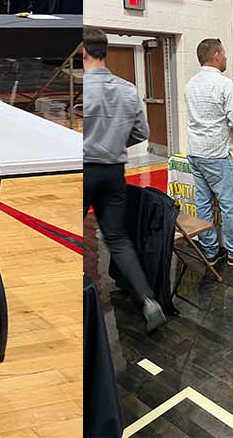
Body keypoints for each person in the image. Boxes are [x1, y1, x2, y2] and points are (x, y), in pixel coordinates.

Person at [81, 29, 164, 332]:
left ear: (83, 52)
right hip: (114, 171)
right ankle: (148, 301)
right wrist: (113, 143)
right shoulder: (128, 89)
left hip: (84, 170)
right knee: (117, 238)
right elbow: (141, 132)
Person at [183, 39, 233, 267]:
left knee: (203, 203)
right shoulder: (225, 85)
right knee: (230, 205)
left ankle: (210, 250)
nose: (226, 57)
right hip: (216, 154)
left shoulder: (190, 84)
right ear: (216, 55)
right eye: (224, 53)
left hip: (195, 152)